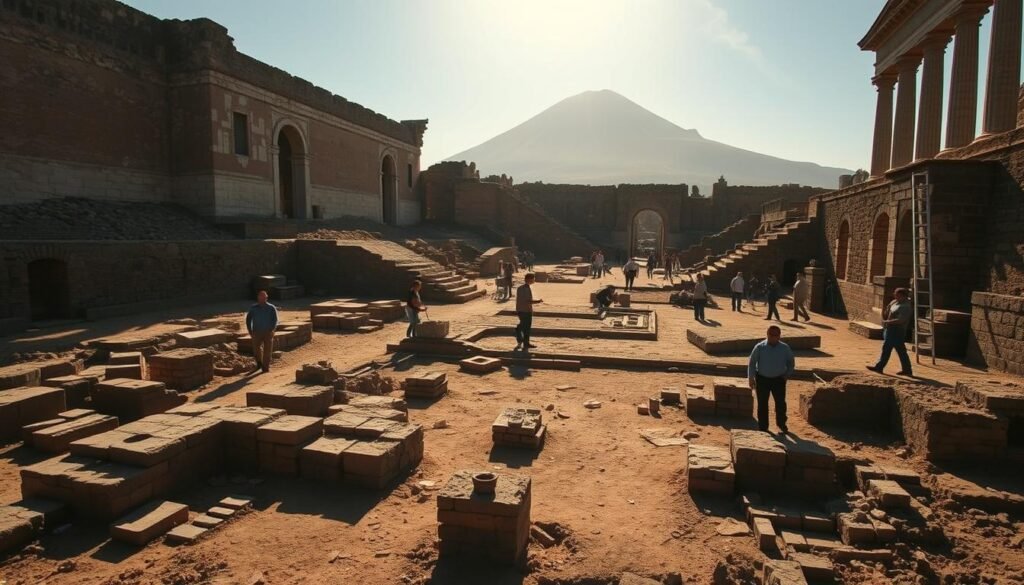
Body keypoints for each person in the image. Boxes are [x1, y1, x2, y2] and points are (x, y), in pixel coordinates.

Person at [748, 325, 795, 434]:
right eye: (771, 334)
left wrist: (786, 375)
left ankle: (781, 424)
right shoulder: (759, 347)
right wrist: (751, 378)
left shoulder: (785, 348)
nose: (773, 337)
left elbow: (791, 363)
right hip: (762, 379)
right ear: (767, 334)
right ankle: (763, 427)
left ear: (779, 336)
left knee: (780, 404)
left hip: (778, 380)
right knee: (762, 404)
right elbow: (752, 363)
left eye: (775, 335)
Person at [867, 288, 914, 376]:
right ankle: (907, 369)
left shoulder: (905, 307)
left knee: (887, 348)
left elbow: (900, 320)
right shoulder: (895, 302)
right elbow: (888, 310)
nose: (895, 297)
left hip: (897, 331)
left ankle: (879, 367)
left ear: (903, 296)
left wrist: (887, 322)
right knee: (901, 351)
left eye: (897, 295)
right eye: (895, 295)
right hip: (889, 329)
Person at [246, 290, 279, 374]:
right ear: (258, 298)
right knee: (256, 349)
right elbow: (248, 319)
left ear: (266, 298)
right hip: (256, 332)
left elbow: (275, 320)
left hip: (268, 332)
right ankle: (259, 363)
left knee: (267, 350)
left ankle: (265, 367)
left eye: (264, 297)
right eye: (260, 297)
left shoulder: (271, 308)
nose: (262, 298)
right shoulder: (253, 308)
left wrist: (272, 329)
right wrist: (250, 331)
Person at [515, 273, 543, 351]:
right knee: (526, 328)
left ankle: (524, 341)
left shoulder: (523, 288)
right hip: (525, 310)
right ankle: (524, 341)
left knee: (525, 327)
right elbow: (527, 301)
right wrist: (538, 301)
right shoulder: (524, 288)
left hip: (523, 310)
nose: (534, 280)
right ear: (529, 279)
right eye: (533, 279)